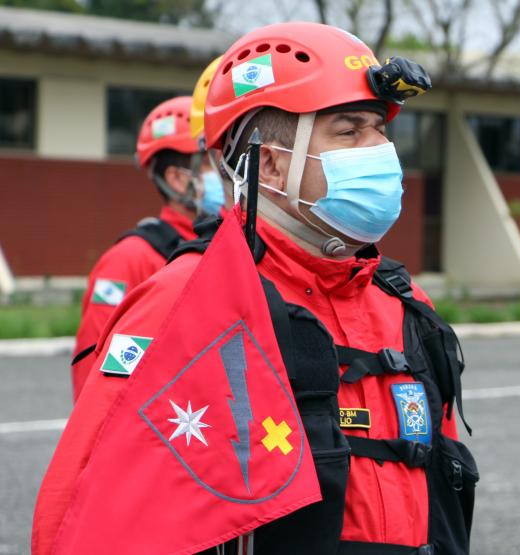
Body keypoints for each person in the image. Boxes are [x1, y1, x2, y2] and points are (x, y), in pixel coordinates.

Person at [34, 22, 477, 555]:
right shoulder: (190, 302)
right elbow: (85, 514)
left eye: (381, 130)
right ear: (270, 163)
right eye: (349, 130)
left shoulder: (405, 307)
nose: (380, 149)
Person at [70, 91, 225, 400]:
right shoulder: (131, 259)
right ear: (179, 180)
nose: (226, 171)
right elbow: (97, 378)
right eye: (211, 162)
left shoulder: (230, 246)